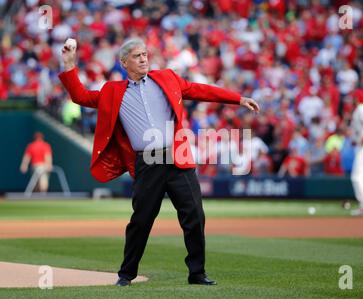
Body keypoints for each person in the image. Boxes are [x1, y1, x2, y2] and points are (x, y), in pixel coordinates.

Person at [59, 38, 260, 286]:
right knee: (141, 221)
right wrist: (69, 64)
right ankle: (126, 274)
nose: (143, 59)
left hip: (177, 157)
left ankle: (197, 273)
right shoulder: (112, 90)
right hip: (147, 162)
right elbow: (79, 96)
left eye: (145, 54)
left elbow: (200, 90)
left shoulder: (167, 77)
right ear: (124, 63)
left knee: (195, 215)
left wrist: (238, 99)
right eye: (136, 56)